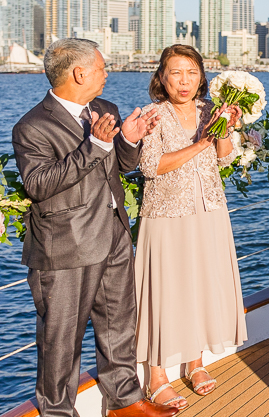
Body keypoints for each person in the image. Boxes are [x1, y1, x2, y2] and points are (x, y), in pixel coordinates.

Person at [11, 38, 174, 417]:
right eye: (102, 68)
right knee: (60, 342)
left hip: (114, 235)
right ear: (79, 72)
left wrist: (129, 140)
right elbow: (39, 185)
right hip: (65, 247)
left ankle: (124, 402)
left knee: (120, 326)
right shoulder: (32, 127)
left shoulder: (105, 108)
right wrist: (96, 146)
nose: (107, 73)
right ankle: (57, 413)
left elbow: (118, 166)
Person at [135, 45, 247, 409]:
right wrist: (201, 143)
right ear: (161, 78)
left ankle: (195, 362)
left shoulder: (209, 110)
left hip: (210, 210)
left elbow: (226, 155)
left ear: (202, 76)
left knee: (200, 285)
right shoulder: (153, 114)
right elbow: (152, 166)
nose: (184, 81)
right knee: (163, 290)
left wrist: (225, 128)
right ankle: (156, 376)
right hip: (166, 215)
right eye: (175, 73)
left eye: (192, 72)